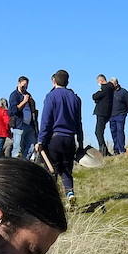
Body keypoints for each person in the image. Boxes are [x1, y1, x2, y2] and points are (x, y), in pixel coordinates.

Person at [38, 68, 85, 209]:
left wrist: (41, 139)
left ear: (54, 81)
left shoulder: (51, 97)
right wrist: (80, 142)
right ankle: (70, 194)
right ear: (68, 81)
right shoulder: (75, 98)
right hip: (70, 139)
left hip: (54, 139)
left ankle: (51, 203)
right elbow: (79, 121)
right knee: (66, 169)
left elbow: (46, 120)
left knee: (51, 170)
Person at [8, 76, 39, 159]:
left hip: (30, 125)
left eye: (26, 86)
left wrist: (31, 102)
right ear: (19, 83)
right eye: (23, 85)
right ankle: (15, 166)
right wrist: (24, 101)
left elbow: (33, 110)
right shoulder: (14, 95)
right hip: (19, 125)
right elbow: (13, 111)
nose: (24, 87)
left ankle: (25, 163)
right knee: (17, 148)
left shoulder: (28, 95)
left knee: (31, 147)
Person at [91, 75, 114, 156]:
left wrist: (97, 96)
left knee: (98, 132)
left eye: (98, 82)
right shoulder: (111, 88)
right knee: (100, 132)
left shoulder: (105, 87)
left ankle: (103, 151)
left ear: (101, 80)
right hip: (107, 112)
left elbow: (95, 96)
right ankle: (104, 150)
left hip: (102, 112)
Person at [108, 77, 128, 155]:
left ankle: (121, 149)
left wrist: (126, 112)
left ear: (116, 83)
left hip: (120, 115)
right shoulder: (109, 92)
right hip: (111, 116)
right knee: (113, 132)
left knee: (120, 131)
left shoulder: (124, 92)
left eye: (112, 84)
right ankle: (116, 150)